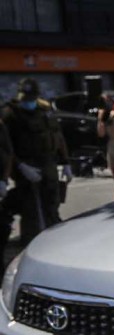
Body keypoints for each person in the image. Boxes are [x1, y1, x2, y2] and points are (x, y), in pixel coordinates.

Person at [0, 78, 72, 262]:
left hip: (48, 164)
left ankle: (56, 244)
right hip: (26, 167)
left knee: (52, 205)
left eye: (31, 97)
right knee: (30, 210)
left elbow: (58, 136)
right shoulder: (10, 114)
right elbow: (7, 148)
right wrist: (20, 167)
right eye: (25, 97)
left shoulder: (46, 110)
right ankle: (30, 251)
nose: (28, 102)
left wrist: (66, 162)